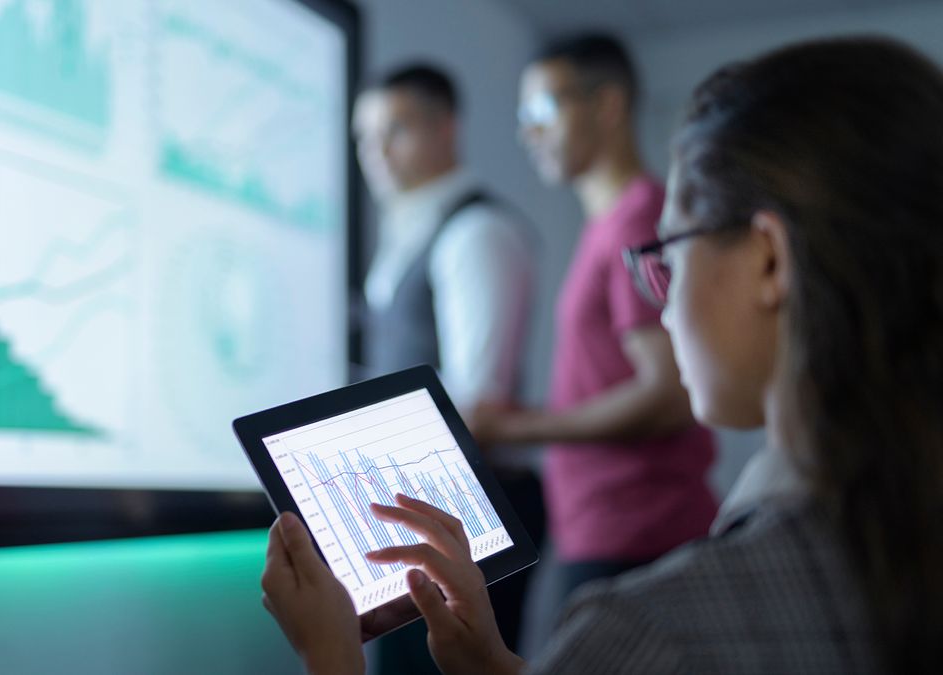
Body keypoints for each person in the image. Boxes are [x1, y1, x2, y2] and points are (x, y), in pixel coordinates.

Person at [259, 36, 943, 673]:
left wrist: (332, 654)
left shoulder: (648, 629)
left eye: (668, 255)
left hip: (625, 521)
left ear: (768, 260)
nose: (664, 303)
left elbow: (661, 395)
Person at [470, 33, 717, 638]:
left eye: (544, 112)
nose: (530, 134)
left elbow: (669, 395)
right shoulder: (613, 223)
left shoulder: (637, 222)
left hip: (634, 532)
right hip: (602, 526)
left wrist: (511, 426)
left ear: (606, 105)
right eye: (523, 118)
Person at [352, 63, 542, 673]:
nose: (376, 151)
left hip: (467, 516)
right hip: (421, 515)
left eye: (396, 129)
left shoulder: (477, 231)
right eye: (364, 136)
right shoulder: (410, 231)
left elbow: (476, 404)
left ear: (446, 130)